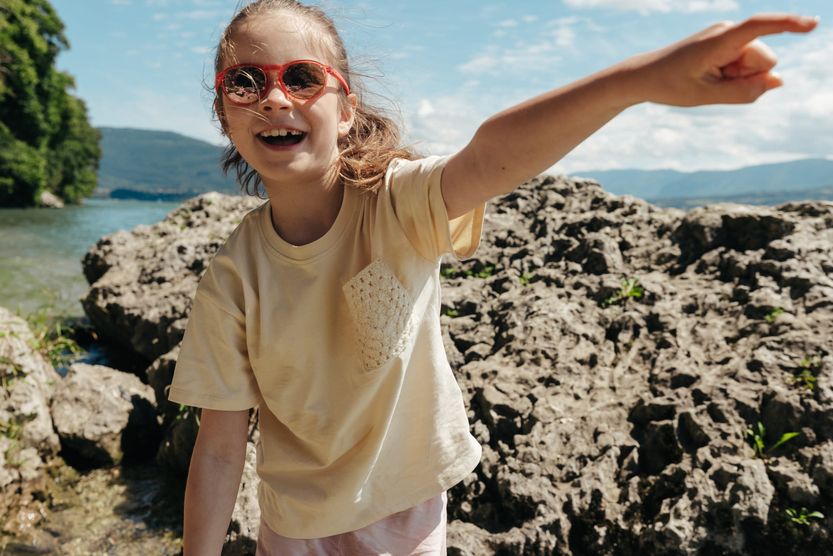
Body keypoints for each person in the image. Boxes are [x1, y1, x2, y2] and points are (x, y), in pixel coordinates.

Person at [167, 1, 819, 554]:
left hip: (403, 511)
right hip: (292, 526)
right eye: (245, 82)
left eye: (303, 77)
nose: (275, 97)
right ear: (225, 113)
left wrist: (639, 79)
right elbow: (220, 447)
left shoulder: (395, 205)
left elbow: (489, 155)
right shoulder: (233, 276)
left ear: (345, 110)